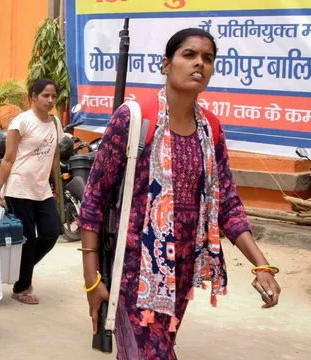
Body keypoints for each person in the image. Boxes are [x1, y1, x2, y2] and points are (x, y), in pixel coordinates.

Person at [78, 28, 281, 359]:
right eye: (189, 55)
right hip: (132, 271)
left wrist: (262, 265)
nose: (199, 63)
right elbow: (94, 200)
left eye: (208, 58)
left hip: (181, 275)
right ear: (165, 64)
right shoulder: (134, 118)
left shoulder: (211, 130)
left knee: (155, 351)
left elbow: (227, 203)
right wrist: (91, 279)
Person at [0, 78, 63, 305]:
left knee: (51, 233)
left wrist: (57, 187)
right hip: (19, 188)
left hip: (42, 190)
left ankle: (21, 271)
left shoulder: (55, 123)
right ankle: (22, 287)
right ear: (33, 97)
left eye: (53, 96)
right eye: (45, 96)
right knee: (28, 239)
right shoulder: (21, 122)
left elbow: (54, 157)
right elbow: (9, 159)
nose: (50, 100)